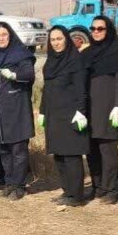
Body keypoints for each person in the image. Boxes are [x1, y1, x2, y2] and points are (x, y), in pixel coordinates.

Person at [0, 22, 36, 201]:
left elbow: (29, 74)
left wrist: (15, 75)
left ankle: (19, 185)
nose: (1, 38)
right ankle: (9, 182)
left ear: (10, 36)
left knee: (18, 148)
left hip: (17, 107)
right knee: (3, 148)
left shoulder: (21, 54)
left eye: (4, 35)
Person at [81, 15, 118, 204]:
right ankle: (98, 187)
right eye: (93, 29)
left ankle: (112, 190)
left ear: (108, 30)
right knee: (91, 150)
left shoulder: (117, 52)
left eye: (100, 29)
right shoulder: (86, 54)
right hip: (89, 110)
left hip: (109, 109)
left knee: (108, 151)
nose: (96, 32)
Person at [39, 26, 89, 206]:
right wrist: (43, 111)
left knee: (71, 155)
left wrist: (81, 111)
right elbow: (46, 89)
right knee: (59, 155)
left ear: (66, 39)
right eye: (53, 40)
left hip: (71, 114)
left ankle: (77, 195)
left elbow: (81, 89)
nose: (56, 43)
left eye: (59, 39)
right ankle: (67, 191)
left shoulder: (75, 61)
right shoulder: (51, 62)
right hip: (54, 115)